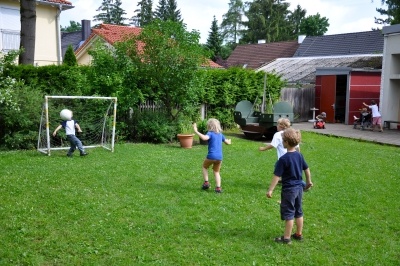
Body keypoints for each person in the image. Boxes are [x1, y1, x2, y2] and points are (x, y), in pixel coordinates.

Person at [266, 128, 312, 244]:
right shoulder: (299, 156)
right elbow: (306, 169)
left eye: (282, 140)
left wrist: (270, 190)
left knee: (289, 214)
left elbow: (277, 176)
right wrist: (308, 181)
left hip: (289, 190)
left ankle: (286, 238)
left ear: (286, 142)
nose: (282, 142)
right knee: (299, 212)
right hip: (299, 189)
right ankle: (298, 234)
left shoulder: (283, 159)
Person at [259, 118, 306, 190]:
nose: (276, 126)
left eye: (277, 125)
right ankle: (283, 179)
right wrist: (297, 155)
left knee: (283, 171)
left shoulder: (278, 134)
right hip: (293, 155)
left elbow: (272, 145)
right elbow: (297, 146)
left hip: (284, 158)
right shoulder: (292, 134)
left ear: (280, 126)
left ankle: (304, 185)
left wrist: (263, 149)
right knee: (279, 166)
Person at [193, 118, 231, 193]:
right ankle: (218, 188)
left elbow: (204, 138)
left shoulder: (210, 133)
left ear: (209, 126)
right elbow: (227, 143)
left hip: (211, 156)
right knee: (216, 172)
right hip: (219, 158)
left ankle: (206, 183)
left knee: (204, 167)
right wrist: (229, 141)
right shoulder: (221, 135)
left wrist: (196, 131)